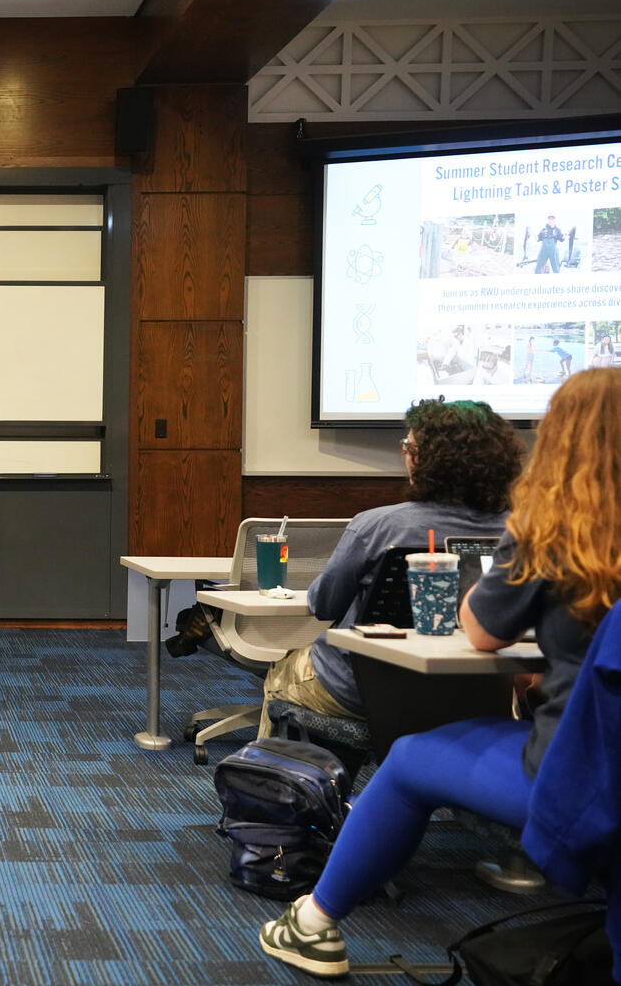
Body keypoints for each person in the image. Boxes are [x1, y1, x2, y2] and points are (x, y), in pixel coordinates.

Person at [258, 369, 621, 978]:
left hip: (584, 769)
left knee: (398, 753)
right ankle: (523, 861)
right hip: (497, 706)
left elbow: (475, 630)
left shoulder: (548, 535)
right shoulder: (511, 525)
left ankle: (299, 879)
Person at [170, 400, 521, 736]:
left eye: (407, 446)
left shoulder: (378, 526)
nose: (404, 455)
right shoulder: (523, 532)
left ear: (424, 461)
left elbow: (323, 605)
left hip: (363, 686)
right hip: (475, 691)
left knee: (285, 673)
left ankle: (284, 788)